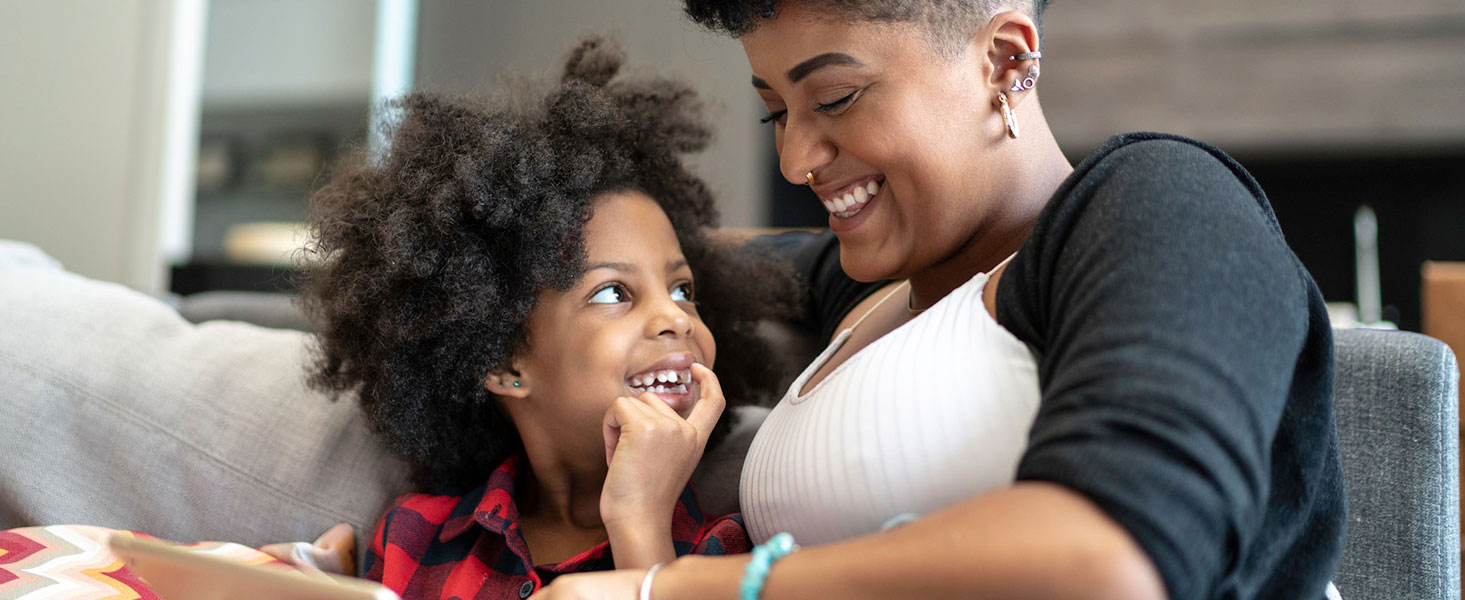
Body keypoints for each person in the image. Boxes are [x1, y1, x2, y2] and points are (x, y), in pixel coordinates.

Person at [538, 2, 1345, 599]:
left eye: (836, 99)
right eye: (776, 110)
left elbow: (1115, 558)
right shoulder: (868, 282)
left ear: (1002, 60)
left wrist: (668, 592)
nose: (794, 159)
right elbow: (605, 268)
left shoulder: (1160, 202)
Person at [297, 37, 802, 599]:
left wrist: (640, 520)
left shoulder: (727, 554)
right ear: (502, 359)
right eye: (613, 293)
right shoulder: (412, 538)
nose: (675, 318)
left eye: (683, 288)